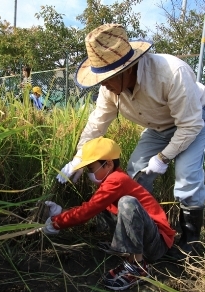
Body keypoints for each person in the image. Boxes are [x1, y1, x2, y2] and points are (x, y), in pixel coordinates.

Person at [56, 23, 205, 259]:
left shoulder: (171, 73)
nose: (103, 84)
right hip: (158, 127)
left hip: (192, 120)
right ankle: (140, 232)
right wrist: (78, 159)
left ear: (127, 69)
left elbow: (190, 125)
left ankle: (190, 241)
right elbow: (97, 124)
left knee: (186, 176)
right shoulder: (109, 89)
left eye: (107, 78)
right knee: (136, 170)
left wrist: (163, 158)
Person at [29, 137, 175, 291]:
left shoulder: (117, 180)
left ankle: (138, 266)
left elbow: (87, 212)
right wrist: (62, 212)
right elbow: (91, 207)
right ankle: (125, 251)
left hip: (155, 244)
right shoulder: (111, 180)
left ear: (109, 164)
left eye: (91, 169)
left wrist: (57, 222)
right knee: (102, 205)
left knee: (127, 203)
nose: (89, 174)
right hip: (145, 239)